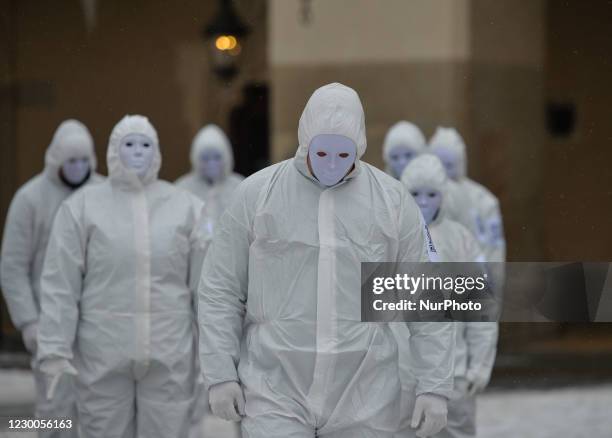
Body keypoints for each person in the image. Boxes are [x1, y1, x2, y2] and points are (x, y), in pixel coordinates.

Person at [198, 83, 455, 438]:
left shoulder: (393, 203)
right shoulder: (257, 196)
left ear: (359, 148)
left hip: (366, 393)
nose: (332, 164)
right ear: (306, 141)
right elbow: (220, 289)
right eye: (322, 154)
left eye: (343, 155)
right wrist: (220, 374)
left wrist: (434, 385)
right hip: (274, 389)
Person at [36, 115, 207, 438]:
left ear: (156, 151)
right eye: (129, 145)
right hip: (103, 353)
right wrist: (54, 349)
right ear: (114, 150)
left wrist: (215, 354)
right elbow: (61, 284)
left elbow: (205, 288)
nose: (138, 152)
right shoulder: (83, 207)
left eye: (145, 145)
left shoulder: (186, 208)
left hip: (168, 351)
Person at [0, 119, 103, 438]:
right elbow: (13, 266)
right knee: (54, 412)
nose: (78, 167)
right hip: (50, 324)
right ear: (56, 160)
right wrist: (29, 322)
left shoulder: (105, 194)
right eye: (71, 161)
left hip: (99, 324)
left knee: (100, 408)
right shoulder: (30, 199)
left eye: (84, 161)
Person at [400, 154, 498, 438]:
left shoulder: (461, 240)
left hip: (454, 374)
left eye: (432, 194)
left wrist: (479, 364)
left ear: (444, 195)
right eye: (414, 193)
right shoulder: (389, 237)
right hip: (398, 377)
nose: (423, 202)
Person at [428, 127, 506, 263]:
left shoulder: (483, 200)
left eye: (449, 166)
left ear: (460, 164)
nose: (443, 173)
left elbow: (494, 250)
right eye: (438, 165)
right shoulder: (423, 198)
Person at [176, 124, 244, 232]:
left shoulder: (239, 186)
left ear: (227, 156)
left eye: (217, 157)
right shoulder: (182, 188)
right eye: (205, 158)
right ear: (195, 158)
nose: (212, 163)